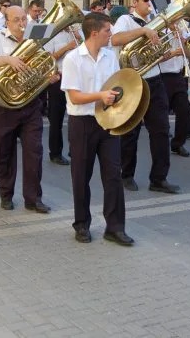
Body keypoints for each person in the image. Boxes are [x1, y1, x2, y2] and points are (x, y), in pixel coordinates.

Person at [61, 13, 133, 246]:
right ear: (94, 33)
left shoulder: (110, 56)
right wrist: (101, 96)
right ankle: (81, 224)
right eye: (107, 32)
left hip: (107, 121)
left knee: (113, 174)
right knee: (81, 175)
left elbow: (115, 86)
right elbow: (75, 96)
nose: (110, 35)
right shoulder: (73, 59)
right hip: (82, 123)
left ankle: (115, 227)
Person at [0, 5, 52, 212]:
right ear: (7, 21)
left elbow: (43, 62)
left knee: (34, 152)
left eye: (23, 20)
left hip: (30, 103)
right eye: (17, 20)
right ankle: (6, 195)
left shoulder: (33, 38)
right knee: (5, 152)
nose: (21, 24)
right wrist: (7, 60)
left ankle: (33, 199)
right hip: (3, 105)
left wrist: (48, 77)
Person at [111, 0, 180, 194]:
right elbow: (115, 40)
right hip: (132, 82)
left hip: (154, 80)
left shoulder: (156, 22)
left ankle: (159, 178)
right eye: (145, 0)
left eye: (150, 0)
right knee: (130, 131)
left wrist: (170, 50)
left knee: (161, 131)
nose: (150, 4)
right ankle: (126, 175)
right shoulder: (126, 20)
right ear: (135, 3)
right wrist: (143, 30)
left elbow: (158, 55)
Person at [159, 26, 190, 157]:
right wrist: (174, 53)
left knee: (183, 111)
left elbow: (188, 55)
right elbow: (156, 59)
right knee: (161, 114)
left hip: (179, 75)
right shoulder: (159, 33)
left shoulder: (180, 32)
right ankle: (160, 144)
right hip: (163, 76)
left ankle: (178, 143)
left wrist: (183, 42)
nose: (177, 24)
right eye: (174, 20)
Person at [43, 25, 78, 165]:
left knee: (76, 116)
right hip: (58, 77)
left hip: (75, 77)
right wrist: (67, 47)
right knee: (56, 118)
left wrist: (79, 39)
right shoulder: (51, 35)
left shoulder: (75, 33)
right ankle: (55, 152)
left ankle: (74, 149)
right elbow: (47, 58)